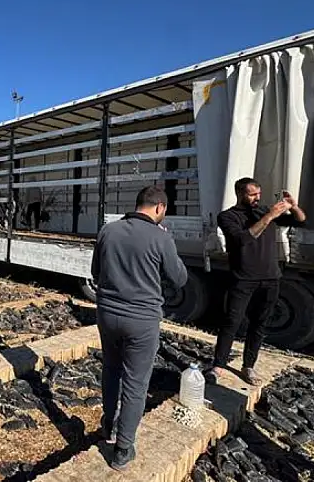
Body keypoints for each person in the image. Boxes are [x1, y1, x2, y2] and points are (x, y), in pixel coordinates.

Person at [90, 185, 188, 470]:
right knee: (136, 382)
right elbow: (179, 279)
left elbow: (96, 273)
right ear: (160, 208)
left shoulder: (108, 230)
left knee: (111, 368)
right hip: (141, 320)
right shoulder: (160, 237)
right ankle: (122, 450)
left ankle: (108, 424)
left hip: (107, 314)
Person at [208, 178, 306, 385]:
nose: (257, 198)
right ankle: (218, 366)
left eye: (259, 194)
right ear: (240, 193)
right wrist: (270, 216)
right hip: (243, 279)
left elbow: (300, 220)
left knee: (259, 324)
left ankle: (248, 366)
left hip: (271, 278)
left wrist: (294, 206)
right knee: (231, 323)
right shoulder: (227, 217)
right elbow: (243, 239)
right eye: (252, 194)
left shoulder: (263, 211)